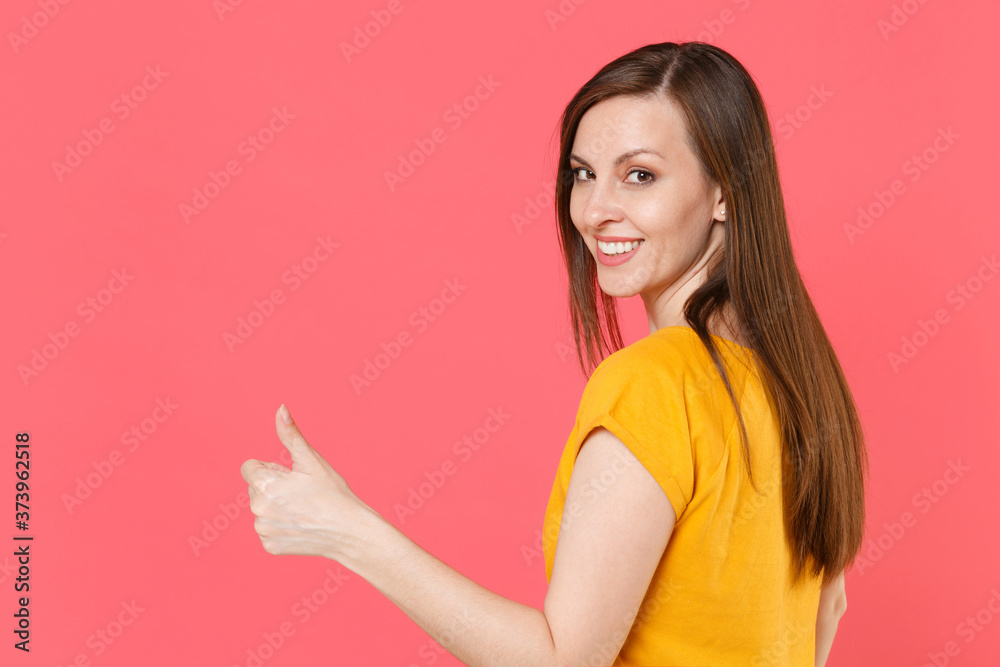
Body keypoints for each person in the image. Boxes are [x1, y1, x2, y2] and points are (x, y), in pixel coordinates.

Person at [240, 41, 868, 667]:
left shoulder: (654, 384)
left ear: (725, 190)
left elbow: (563, 660)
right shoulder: (799, 379)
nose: (594, 211)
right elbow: (827, 610)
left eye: (640, 175)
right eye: (583, 174)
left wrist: (344, 529)